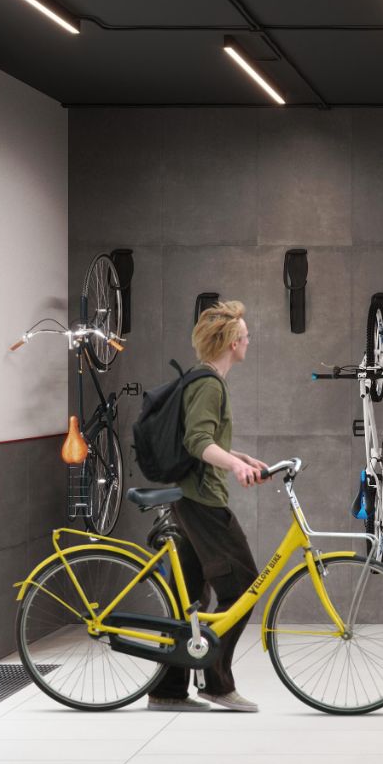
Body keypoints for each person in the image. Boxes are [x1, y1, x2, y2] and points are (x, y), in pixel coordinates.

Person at [148, 301, 268, 713]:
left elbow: (205, 441)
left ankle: (167, 689)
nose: (249, 341)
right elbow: (197, 442)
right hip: (201, 501)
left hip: (188, 497)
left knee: (189, 597)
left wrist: (240, 456)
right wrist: (234, 465)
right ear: (233, 343)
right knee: (244, 587)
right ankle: (216, 683)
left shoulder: (205, 379)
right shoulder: (210, 384)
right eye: (246, 336)